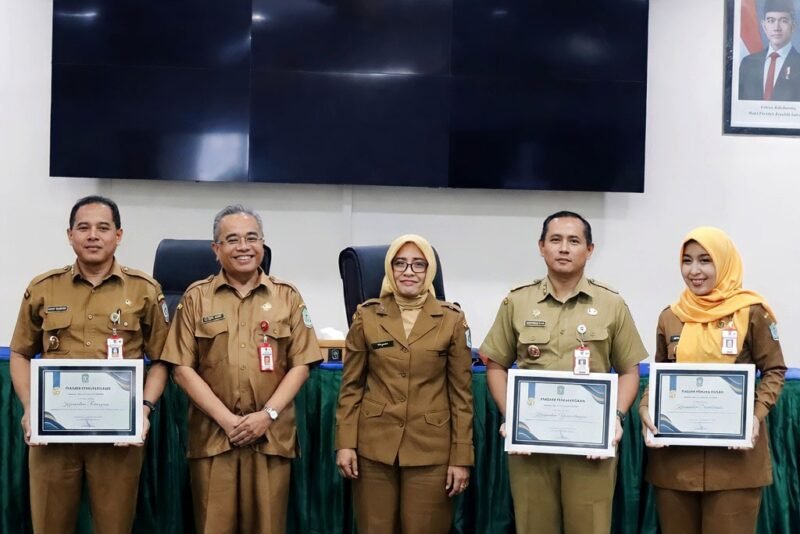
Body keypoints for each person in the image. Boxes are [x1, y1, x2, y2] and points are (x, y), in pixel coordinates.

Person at [9, 195, 170, 534]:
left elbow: (161, 360)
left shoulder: (144, 290)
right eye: (83, 227)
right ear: (70, 235)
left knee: (115, 528)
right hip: (52, 437)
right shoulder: (43, 289)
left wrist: (143, 410)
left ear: (119, 235)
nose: (92, 235)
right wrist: (29, 409)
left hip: (117, 440)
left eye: (103, 228)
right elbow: (21, 353)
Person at [480, 210, 648, 534]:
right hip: (531, 446)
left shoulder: (612, 304)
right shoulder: (517, 301)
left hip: (590, 447)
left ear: (590, 250)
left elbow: (630, 370)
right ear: (541, 247)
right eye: (555, 240)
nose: (564, 248)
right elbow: (496, 365)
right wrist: (511, 415)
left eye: (574, 241)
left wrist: (616, 416)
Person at [161, 204, 322, 534]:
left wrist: (267, 416)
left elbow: (302, 364)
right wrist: (228, 421)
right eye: (232, 239)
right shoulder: (196, 297)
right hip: (213, 438)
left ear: (263, 244)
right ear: (216, 249)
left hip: (270, 437)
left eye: (252, 238)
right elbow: (181, 368)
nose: (244, 247)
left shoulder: (287, 297)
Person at [638, 227, 786, 534]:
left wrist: (755, 416)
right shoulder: (671, 316)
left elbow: (774, 370)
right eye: (687, 261)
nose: (694, 271)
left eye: (705, 260)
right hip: (676, 464)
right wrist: (646, 406)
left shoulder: (752, 312)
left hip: (735, 464)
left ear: (724, 262)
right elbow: (661, 372)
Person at [335, 234, 474, 534]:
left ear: (429, 271)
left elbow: (461, 396)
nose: (408, 271)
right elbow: (351, 387)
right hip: (374, 449)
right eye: (400, 264)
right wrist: (345, 443)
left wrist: (461, 457)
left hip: (431, 450)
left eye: (418, 264)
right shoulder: (367, 316)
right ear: (389, 269)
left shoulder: (451, 320)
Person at [739, 0, 800, 101]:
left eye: (783, 20)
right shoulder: (747, 63)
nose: (776, 28)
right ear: (764, 26)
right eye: (771, 20)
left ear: (793, 26)